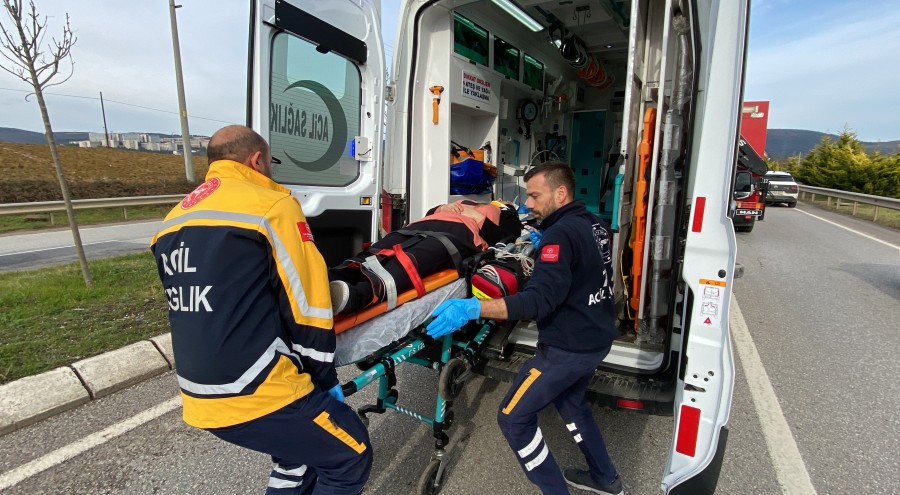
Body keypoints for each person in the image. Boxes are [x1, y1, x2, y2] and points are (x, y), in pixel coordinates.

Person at [150, 125, 371, 494]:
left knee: (296, 457)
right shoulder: (271, 207)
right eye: (271, 163)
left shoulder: (171, 222)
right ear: (256, 160)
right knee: (351, 455)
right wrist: (322, 379)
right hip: (257, 389)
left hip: (198, 395)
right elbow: (307, 303)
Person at [425, 161, 624, 495]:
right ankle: (606, 479)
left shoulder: (560, 235)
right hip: (596, 338)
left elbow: (537, 302)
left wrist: (474, 308)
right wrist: (547, 248)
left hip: (567, 349)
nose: (528, 204)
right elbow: (585, 269)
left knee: (513, 418)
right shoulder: (593, 224)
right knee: (572, 403)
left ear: (560, 193)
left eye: (535, 196)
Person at [328, 199, 521, 315]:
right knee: (376, 251)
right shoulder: (467, 201)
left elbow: (503, 237)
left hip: (458, 233)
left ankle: (358, 295)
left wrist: (477, 217)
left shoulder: (506, 213)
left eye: (505, 201)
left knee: (411, 260)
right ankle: (332, 277)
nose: (502, 200)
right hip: (420, 226)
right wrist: (443, 207)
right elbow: (430, 212)